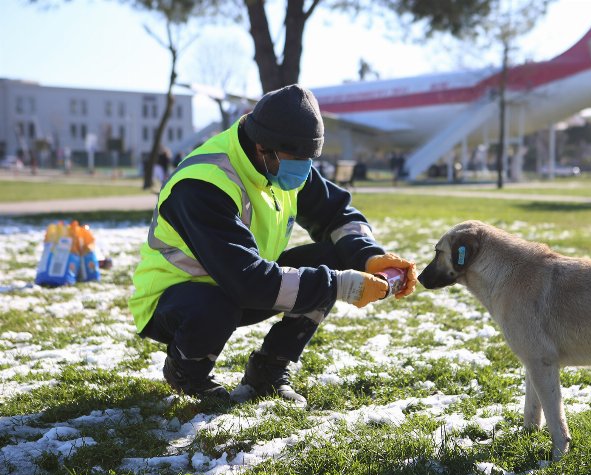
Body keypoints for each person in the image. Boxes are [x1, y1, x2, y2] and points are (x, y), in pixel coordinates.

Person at [128, 84, 417, 406]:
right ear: (262, 147)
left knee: (332, 258)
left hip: (243, 283)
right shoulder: (203, 183)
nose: (305, 169)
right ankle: (187, 371)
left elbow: (338, 215)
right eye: (299, 158)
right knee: (216, 303)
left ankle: (269, 369)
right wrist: (340, 286)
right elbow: (247, 282)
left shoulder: (284, 160)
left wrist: (369, 257)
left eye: (310, 158)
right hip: (176, 297)